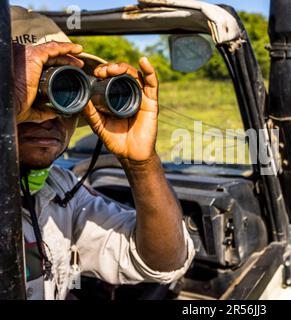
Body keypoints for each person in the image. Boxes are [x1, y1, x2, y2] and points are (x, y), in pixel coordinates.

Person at [10, 6, 195, 300]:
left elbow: (162, 263)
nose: (47, 116)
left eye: (65, 91)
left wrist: (141, 163)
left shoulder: (59, 190)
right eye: (32, 91)